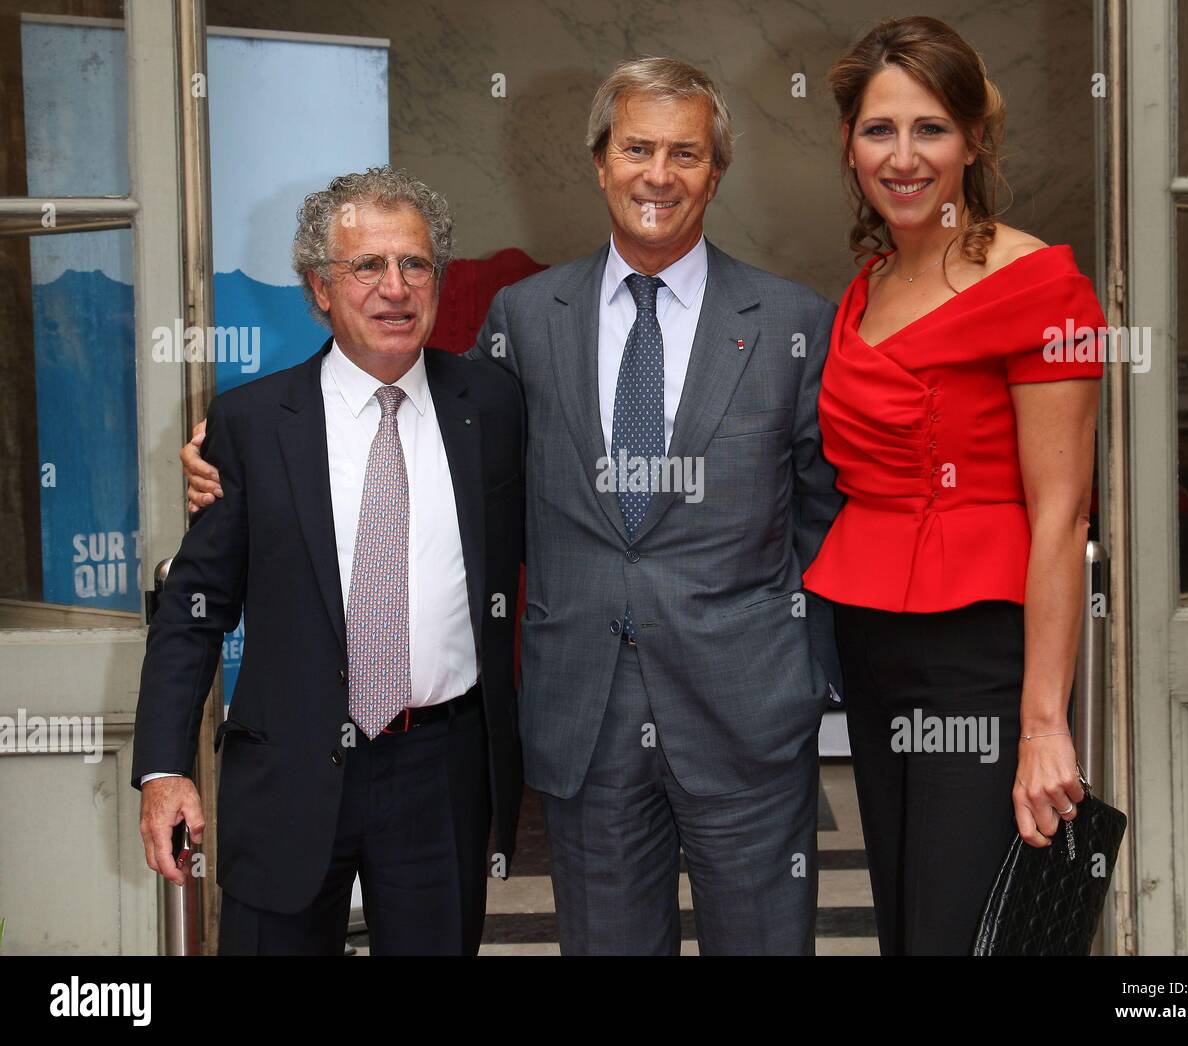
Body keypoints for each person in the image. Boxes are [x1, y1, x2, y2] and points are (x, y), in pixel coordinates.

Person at [188, 57, 842, 956]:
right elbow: (415, 419)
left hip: (748, 720)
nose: (659, 173)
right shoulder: (526, 318)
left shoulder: (793, 322)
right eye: (637, 148)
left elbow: (826, 513)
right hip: (585, 726)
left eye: (685, 153)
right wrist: (232, 458)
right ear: (600, 163)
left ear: (716, 171)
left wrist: (805, 680)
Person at [135, 167, 525, 955]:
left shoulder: (494, 403)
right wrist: (162, 769)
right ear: (319, 287)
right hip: (289, 767)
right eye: (367, 266)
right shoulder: (250, 424)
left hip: (439, 766)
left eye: (415, 264)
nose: (396, 288)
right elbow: (194, 612)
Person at [803, 16, 1105, 955]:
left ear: (975, 139)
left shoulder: (1042, 287)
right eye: (878, 129)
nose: (903, 156)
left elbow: (1060, 517)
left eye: (930, 128)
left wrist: (1043, 726)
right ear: (849, 145)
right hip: (873, 646)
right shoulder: (866, 285)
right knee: (908, 919)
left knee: (964, 926)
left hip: (982, 653)